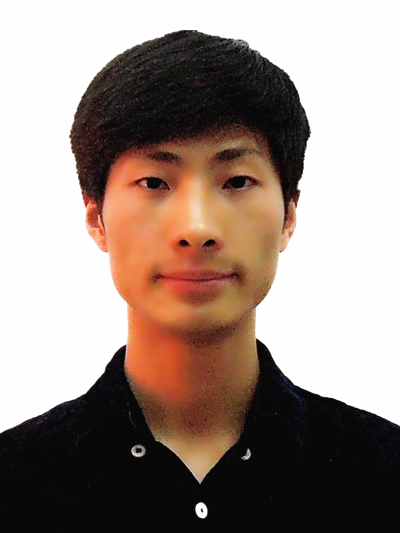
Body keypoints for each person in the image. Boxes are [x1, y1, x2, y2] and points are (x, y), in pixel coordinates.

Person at [1, 30, 399, 530]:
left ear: (289, 216)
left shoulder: (384, 474)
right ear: (96, 217)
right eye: (154, 182)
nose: (196, 228)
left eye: (236, 181)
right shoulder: (14, 483)